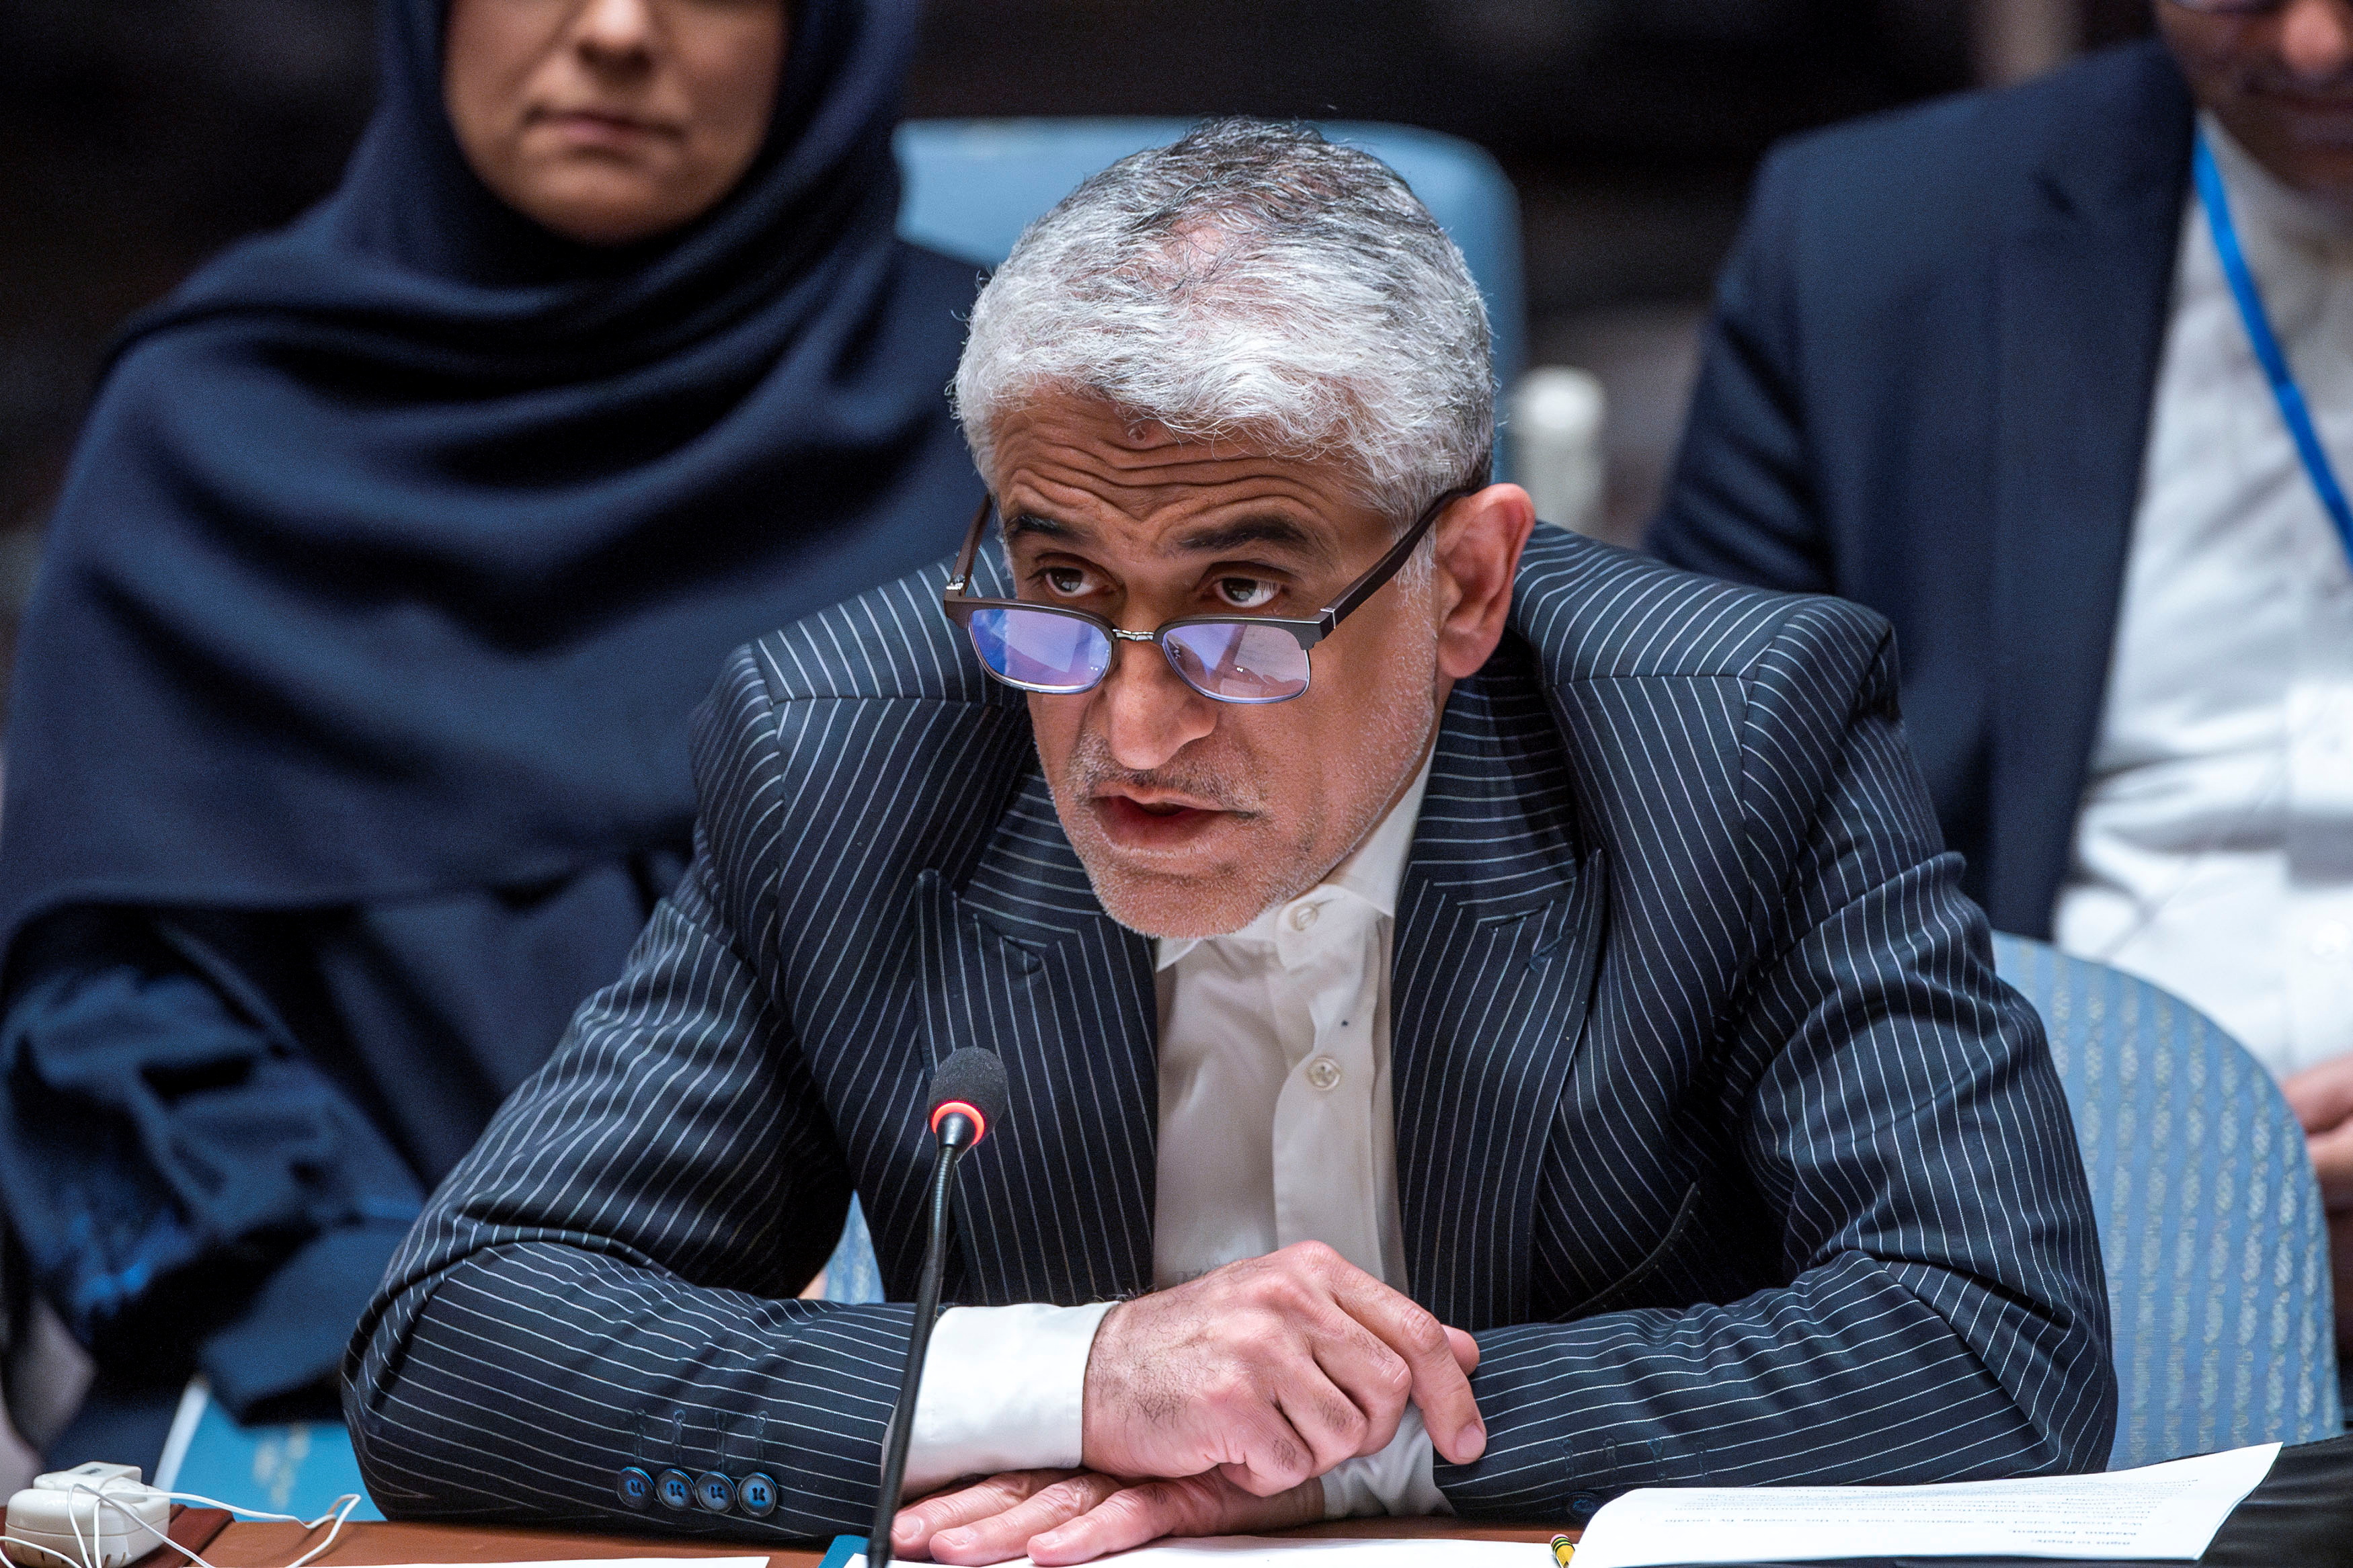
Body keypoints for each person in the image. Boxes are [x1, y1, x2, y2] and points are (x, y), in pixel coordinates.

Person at [348, 120, 2116, 1558]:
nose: (1125, 730)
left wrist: (1338, 1441)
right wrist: (1082, 1375)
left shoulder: (1728, 735)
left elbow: (1988, 1338)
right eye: (1058, 583)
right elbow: (458, 1344)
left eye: (1242, 597)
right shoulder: (842, 747)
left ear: (1468, 582)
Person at [0, 0, 981, 1473]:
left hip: (907, 1360)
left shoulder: (1015, 430)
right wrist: (443, 1318)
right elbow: (102, 1008)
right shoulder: (213, 424)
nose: (615, 31)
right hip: (321, 1367)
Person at [1645, 0, 2353, 1354]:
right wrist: (2006, 1122)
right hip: (2033, 1229)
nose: (2312, 47)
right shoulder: (1877, 239)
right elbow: (1700, 841)